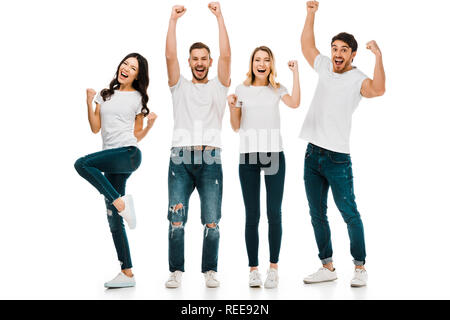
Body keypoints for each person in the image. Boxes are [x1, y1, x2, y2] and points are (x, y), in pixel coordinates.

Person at [300, 1, 385, 287]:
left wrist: (378, 57)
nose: (337, 54)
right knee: (316, 214)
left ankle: (360, 267)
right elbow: (307, 45)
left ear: (352, 55)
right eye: (335, 48)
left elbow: (379, 89)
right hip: (312, 154)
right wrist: (311, 13)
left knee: (349, 213)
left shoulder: (358, 78)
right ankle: (327, 266)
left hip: (337, 159)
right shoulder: (324, 65)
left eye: (343, 50)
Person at [74, 53, 157, 288]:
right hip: (111, 157)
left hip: (128, 154)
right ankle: (127, 273)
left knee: (82, 164)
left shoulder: (138, 98)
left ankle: (120, 202)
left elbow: (136, 134)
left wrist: (149, 125)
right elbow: (94, 127)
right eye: (125, 64)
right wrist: (89, 101)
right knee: (114, 220)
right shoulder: (104, 94)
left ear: (137, 75)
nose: (126, 68)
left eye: (132, 67)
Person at [164, 2, 231, 288]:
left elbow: (228, 54)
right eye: (195, 59)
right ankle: (176, 271)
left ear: (210, 61)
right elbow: (168, 56)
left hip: (210, 159)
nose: (200, 63)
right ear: (189, 62)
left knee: (212, 220)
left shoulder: (219, 86)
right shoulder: (179, 85)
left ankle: (209, 271)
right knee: (176, 219)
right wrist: (172, 21)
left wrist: (219, 17)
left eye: (204, 58)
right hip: (180, 159)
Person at [227, 46, 300, 288]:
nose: (261, 63)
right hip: (247, 155)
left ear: (271, 64)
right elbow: (236, 126)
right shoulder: (241, 89)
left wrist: (296, 73)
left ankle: (274, 268)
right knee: (252, 214)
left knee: (274, 213)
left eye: (266, 60)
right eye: (257, 59)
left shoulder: (277, 89)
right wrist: (231, 106)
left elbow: (295, 104)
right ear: (252, 63)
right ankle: (253, 269)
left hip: (273, 154)